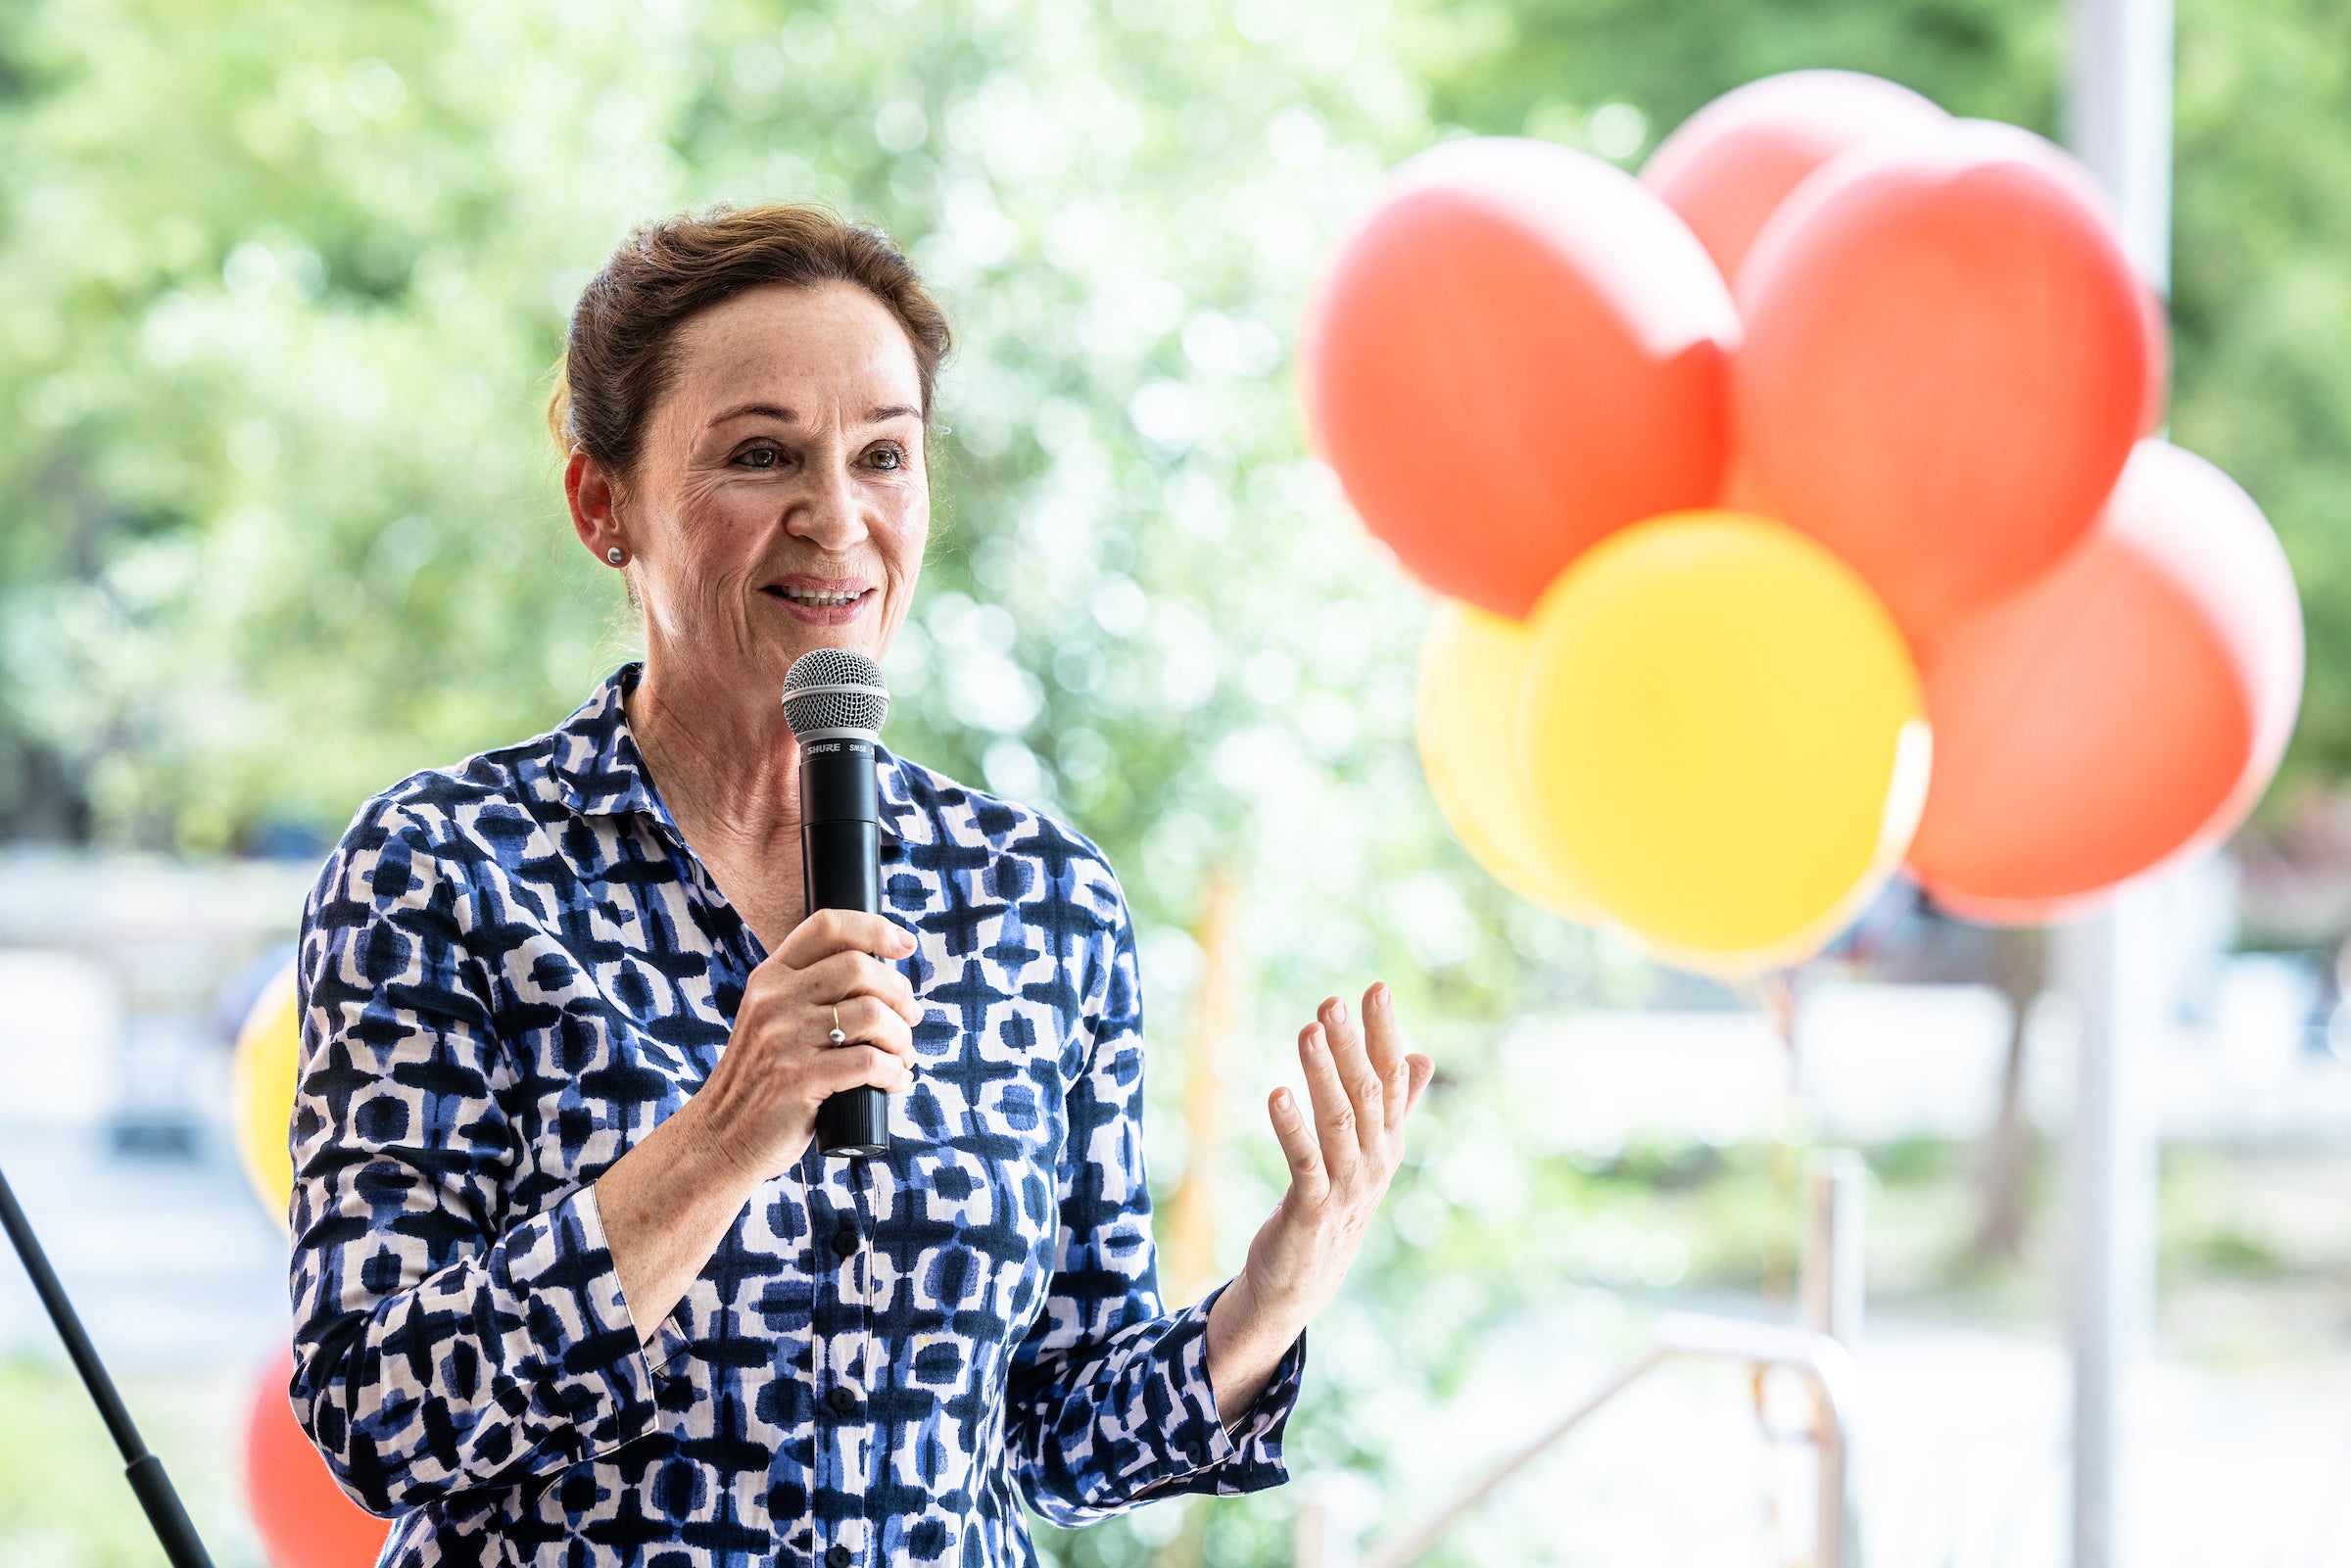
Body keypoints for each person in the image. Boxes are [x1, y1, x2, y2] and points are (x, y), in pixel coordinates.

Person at [287, 203, 1435, 1568]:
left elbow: (1057, 1433)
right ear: (605, 504)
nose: (836, 518)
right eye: (761, 454)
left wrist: (1270, 1297)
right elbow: (377, 1414)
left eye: (883, 454)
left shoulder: (1040, 901)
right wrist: (720, 1136)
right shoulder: (447, 868)